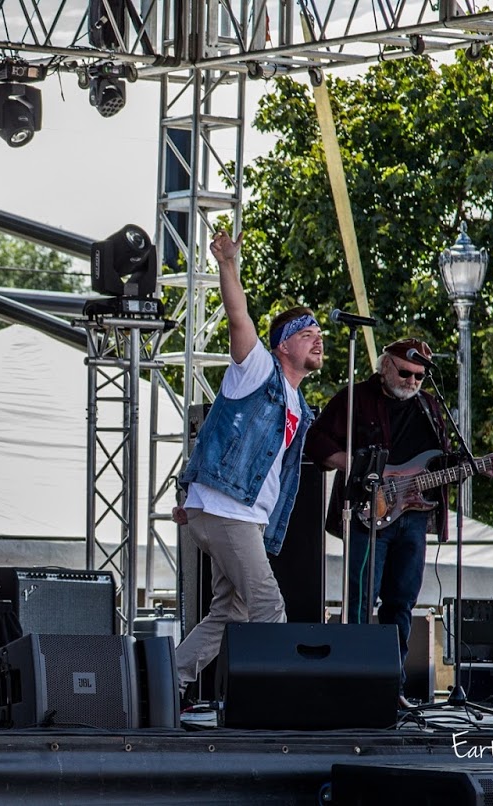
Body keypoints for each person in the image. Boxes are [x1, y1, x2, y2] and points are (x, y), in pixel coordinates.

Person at [172, 231, 324, 692]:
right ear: (282, 345)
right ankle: (276, 701)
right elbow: (239, 316)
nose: (317, 340)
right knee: (268, 605)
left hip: (240, 516)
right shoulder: (257, 370)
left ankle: (164, 683)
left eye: (319, 334)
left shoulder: (300, 406)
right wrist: (227, 265)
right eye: (306, 334)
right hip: (228, 511)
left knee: (230, 612)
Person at [304, 337, 493, 668]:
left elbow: (442, 464)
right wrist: (355, 465)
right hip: (367, 514)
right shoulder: (356, 398)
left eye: (419, 376)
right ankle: (352, 674)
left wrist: (479, 466)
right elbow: (314, 440)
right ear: (385, 366)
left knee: (401, 602)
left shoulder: (429, 406)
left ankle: (392, 678)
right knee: (360, 601)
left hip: (413, 517)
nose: (412, 381)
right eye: (405, 373)